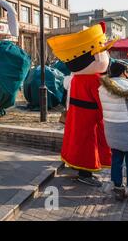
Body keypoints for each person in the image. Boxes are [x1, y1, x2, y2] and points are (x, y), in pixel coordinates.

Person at [48, 23, 116, 187]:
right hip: (89, 119)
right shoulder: (94, 79)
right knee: (88, 146)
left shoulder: (77, 78)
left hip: (76, 115)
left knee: (76, 141)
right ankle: (85, 174)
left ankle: (76, 166)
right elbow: (102, 101)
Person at [99, 61, 128, 200]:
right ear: (123, 72)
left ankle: (117, 186)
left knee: (116, 157)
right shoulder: (126, 86)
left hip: (111, 127)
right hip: (125, 126)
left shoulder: (102, 88)